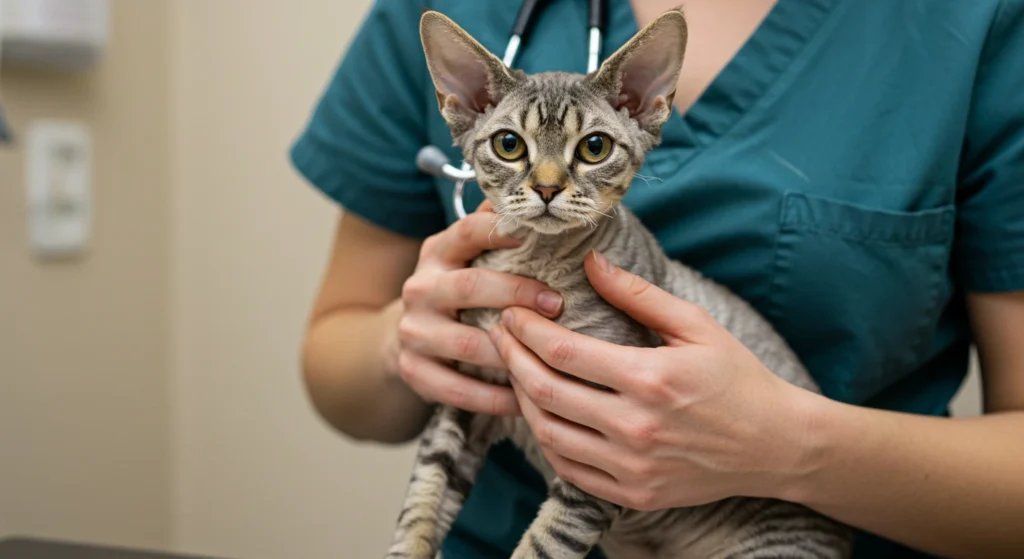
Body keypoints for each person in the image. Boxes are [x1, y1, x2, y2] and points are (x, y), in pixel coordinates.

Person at [288, 0, 1024, 557]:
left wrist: (791, 447)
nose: (545, 184)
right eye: (511, 146)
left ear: (646, 104)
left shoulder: (969, 22)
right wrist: (401, 344)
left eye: (592, 146)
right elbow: (336, 366)